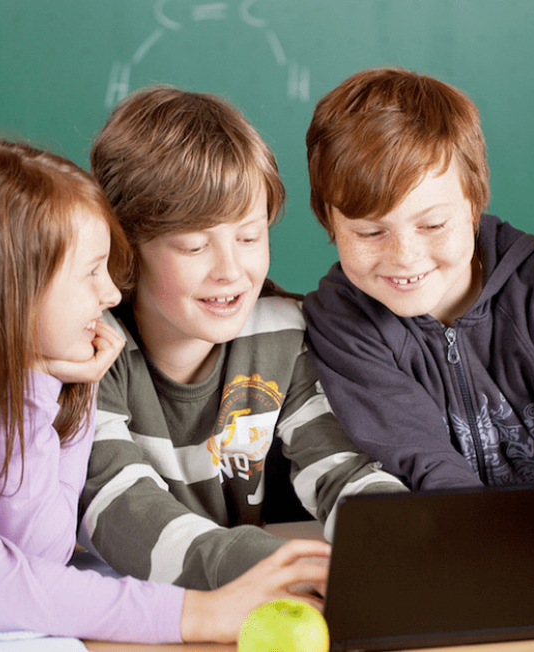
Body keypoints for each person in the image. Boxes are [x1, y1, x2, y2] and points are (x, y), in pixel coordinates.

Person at [0, 136, 329, 644]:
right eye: (90, 274)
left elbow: (39, 555)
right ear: (8, 291)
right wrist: (202, 614)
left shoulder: (41, 372)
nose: (110, 293)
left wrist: (39, 385)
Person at [301, 67, 534, 569]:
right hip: (452, 568)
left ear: (474, 202)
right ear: (329, 219)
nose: (406, 257)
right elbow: (423, 468)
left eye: (432, 224)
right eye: (370, 233)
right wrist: (495, 558)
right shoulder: (341, 323)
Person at [78, 87, 406, 591]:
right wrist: (277, 567)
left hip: (243, 606)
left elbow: (340, 467)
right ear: (125, 245)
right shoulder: (91, 352)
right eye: (194, 245)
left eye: (250, 237)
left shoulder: (280, 335)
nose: (231, 271)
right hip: (131, 617)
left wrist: (397, 534)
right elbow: (119, 509)